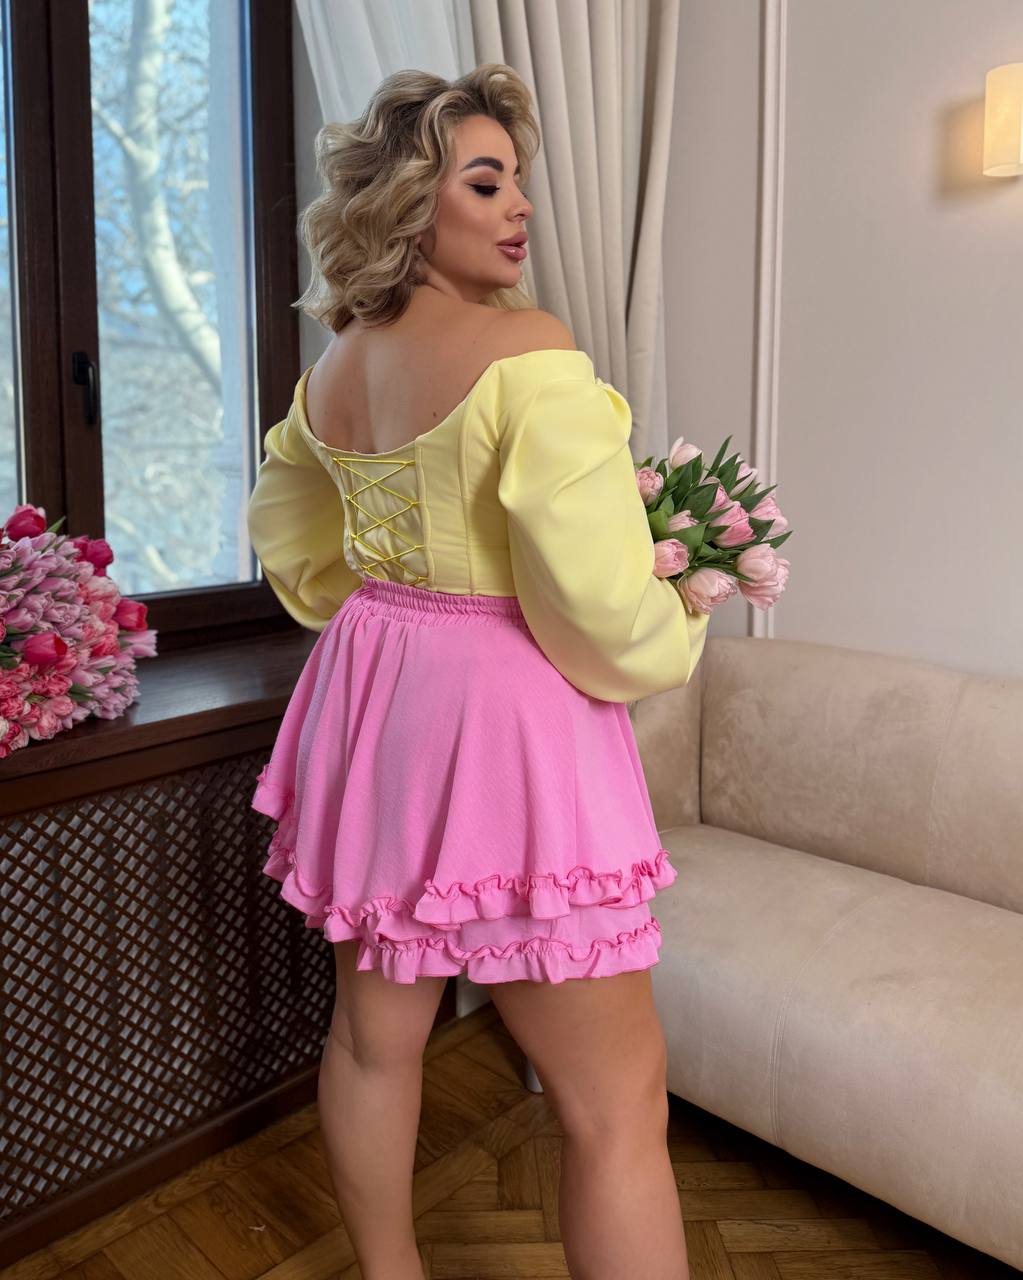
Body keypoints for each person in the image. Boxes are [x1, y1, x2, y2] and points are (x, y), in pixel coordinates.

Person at [246, 63, 709, 1280]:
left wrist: (382, 610)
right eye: (487, 182)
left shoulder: (335, 366)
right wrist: (679, 617)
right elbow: (595, 602)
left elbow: (291, 540)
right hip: (506, 715)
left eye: (519, 183)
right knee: (618, 1100)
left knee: (372, 1040)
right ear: (412, 201)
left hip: (373, 694)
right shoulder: (527, 350)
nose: (520, 208)